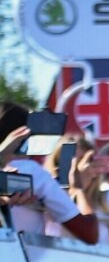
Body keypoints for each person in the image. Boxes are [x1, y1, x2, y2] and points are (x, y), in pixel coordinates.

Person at [0, 103, 100, 244]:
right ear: (24, 135)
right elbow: (89, 233)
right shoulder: (32, 171)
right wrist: (78, 188)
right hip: (19, 259)